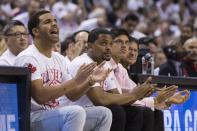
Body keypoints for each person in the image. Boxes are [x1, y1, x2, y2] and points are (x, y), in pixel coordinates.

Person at [14, 10, 112, 131]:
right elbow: (40, 96)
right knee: (75, 112)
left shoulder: (59, 58)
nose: (54, 24)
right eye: (48, 22)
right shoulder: (28, 57)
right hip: (32, 117)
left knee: (104, 114)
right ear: (36, 31)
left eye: (55, 21)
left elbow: (72, 95)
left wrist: (89, 81)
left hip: (53, 114)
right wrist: (76, 80)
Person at [68, 28, 156, 131]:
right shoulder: (84, 63)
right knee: (116, 111)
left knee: (140, 112)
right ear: (90, 46)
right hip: (76, 114)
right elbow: (100, 99)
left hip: (94, 112)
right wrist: (134, 95)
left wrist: (140, 94)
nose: (109, 48)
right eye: (104, 44)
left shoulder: (104, 65)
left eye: (110, 44)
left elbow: (117, 97)